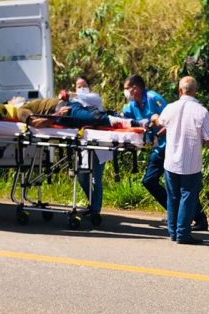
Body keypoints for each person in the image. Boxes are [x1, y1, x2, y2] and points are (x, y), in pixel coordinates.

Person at [122, 74, 209, 231]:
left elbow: (171, 120)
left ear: (136, 88)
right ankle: (177, 214)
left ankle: (198, 218)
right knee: (149, 181)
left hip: (170, 145)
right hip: (158, 147)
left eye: (127, 89)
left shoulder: (153, 98)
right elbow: (125, 119)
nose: (126, 92)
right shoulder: (132, 105)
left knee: (183, 186)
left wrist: (157, 132)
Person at [155, 76, 209, 244]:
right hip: (191, 163)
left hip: (171, 161)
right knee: (187, 197)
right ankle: (183, 234)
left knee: (173, 197)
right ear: (195, 91)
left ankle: (173, 232)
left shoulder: (170, 107)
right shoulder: (201, 111)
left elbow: (160, 122)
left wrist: (155, 118)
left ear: (180, 90)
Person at [72, 77, 109, 225]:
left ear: (89, 87)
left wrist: (70, 94)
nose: (81, 88)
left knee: (96, 179)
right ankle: (93, 203)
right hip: (83, 144)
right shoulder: (75, 103)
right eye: (78, 86)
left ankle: (96, 210)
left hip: (99, 144)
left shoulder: (94, 98)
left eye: (84, 85)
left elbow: (84, 97)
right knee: (82, 176)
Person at [16, 96, 141, 129]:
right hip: (64, 112)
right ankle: (136, 123)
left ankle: (132, 120)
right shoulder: (20, 110)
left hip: (70, 105)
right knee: (95, 118)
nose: (14, 97)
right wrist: (57, 116)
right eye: (12, 99)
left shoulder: (29, 104)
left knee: (99, 114)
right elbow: (36, 123)